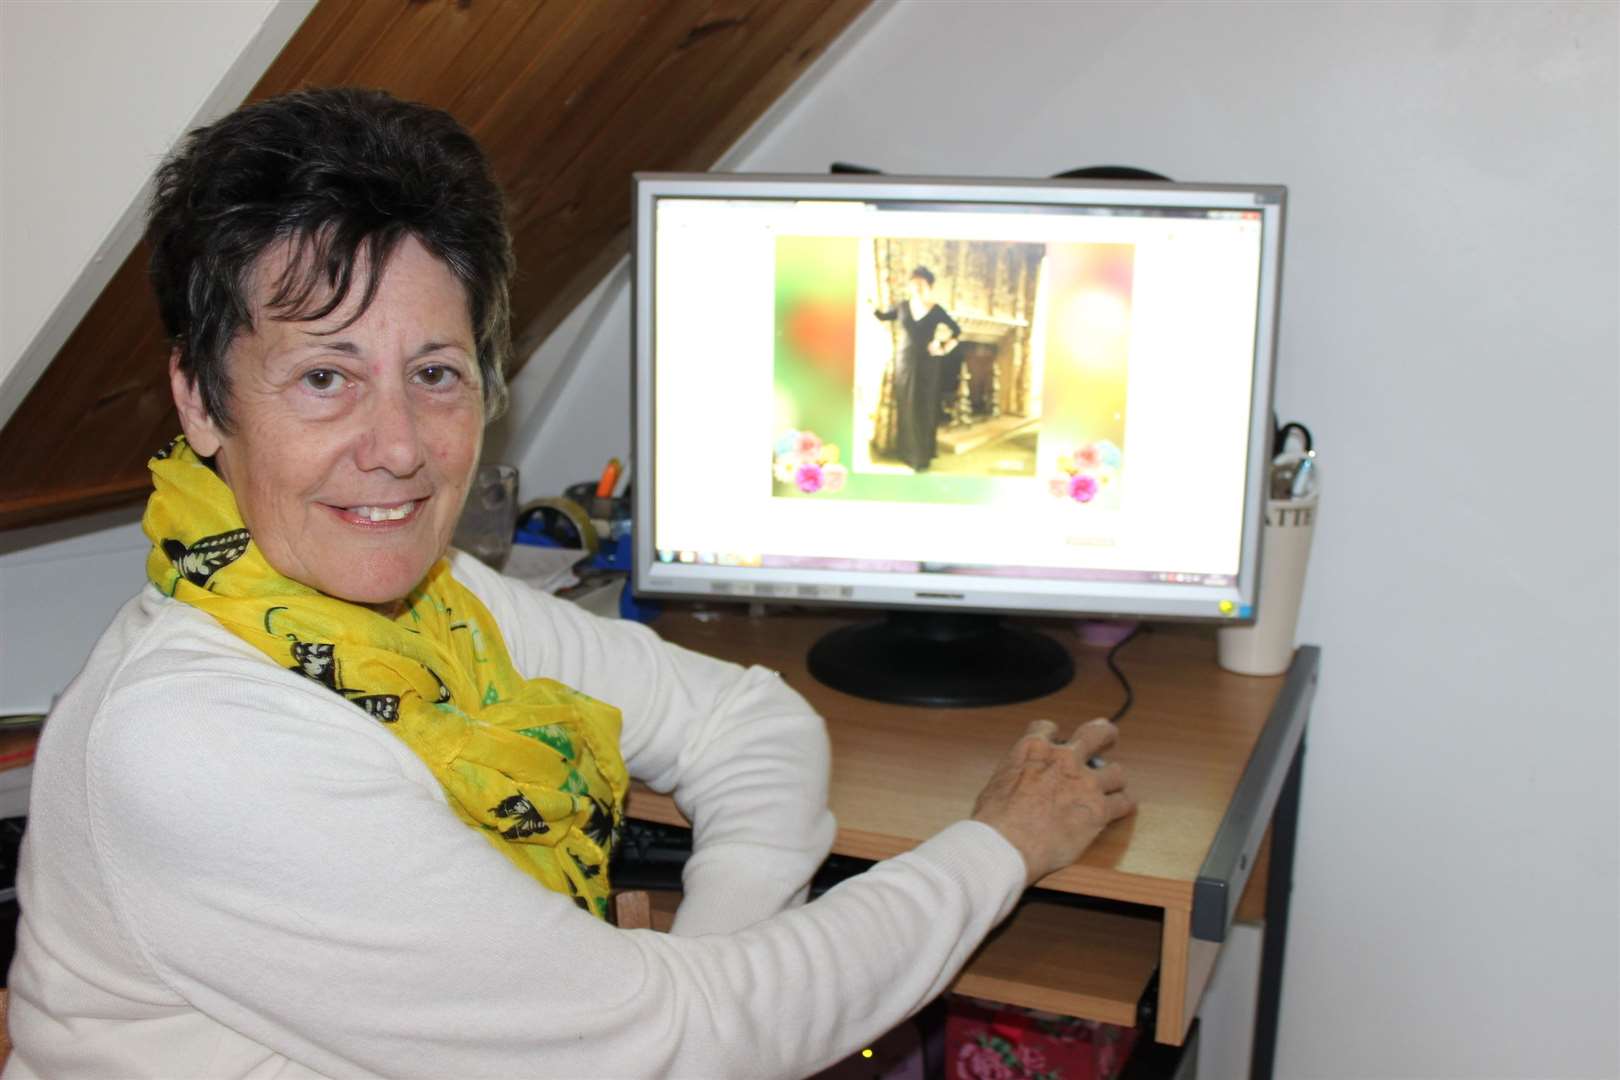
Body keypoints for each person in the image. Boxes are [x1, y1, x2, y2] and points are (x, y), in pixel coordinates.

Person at [4, 89, 1133, 1079]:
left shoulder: (423, 605)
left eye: (436, 373)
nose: (397, 446)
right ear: (202, 401)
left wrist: (702, 972)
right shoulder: (199, 740)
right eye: (324, 377)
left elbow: (747, 719)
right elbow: (676, 1045)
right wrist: (1000, 846)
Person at [874, 267, 962, 471]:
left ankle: (922, 455)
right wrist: (869, 304)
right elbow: (882, 317)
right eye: (914, 283)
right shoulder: (903, 306)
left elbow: (957, 331)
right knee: (907, 405)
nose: (917, 287)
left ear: (929, 286)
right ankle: (907, 452)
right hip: (904, 362)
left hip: (928, 364)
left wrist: (942, 346)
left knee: (925, 407)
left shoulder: (936, 309)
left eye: (921, 284)